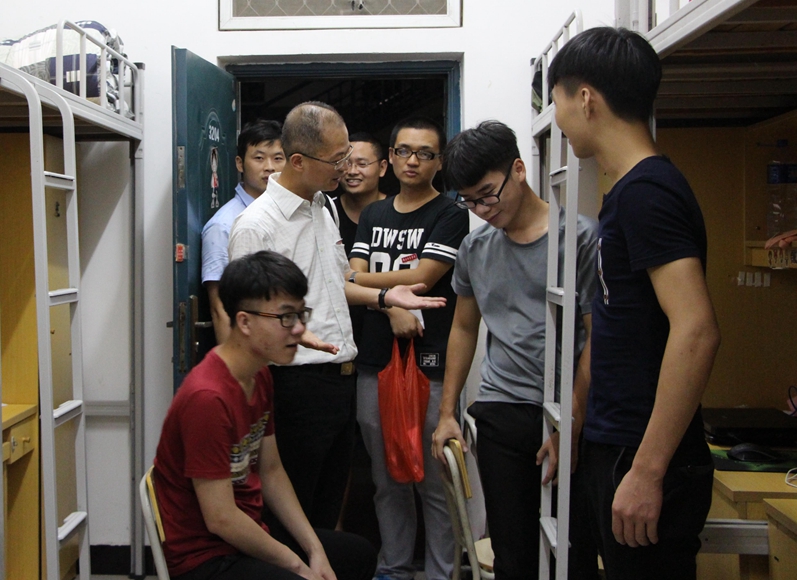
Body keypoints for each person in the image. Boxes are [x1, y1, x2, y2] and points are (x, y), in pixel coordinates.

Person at [548, 27, 721, 580]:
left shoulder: (648, 192)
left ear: (585, 99)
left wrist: (647, 470)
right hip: (617, 443)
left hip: (642, 455)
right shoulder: (625, 191)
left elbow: (696, 329)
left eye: (557, 101)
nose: (557, 117)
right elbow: (616, 323)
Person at [227, 102, 447, 531]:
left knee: (327, 512)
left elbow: (338, 282)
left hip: (339, 381)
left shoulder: (322, 206)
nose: (346, 167)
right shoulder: (256, 226)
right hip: (294, 386)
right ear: (298, 161)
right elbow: (247, 322)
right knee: (292, 514)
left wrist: (384, 297)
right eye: (336, 159)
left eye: (347, 154)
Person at [430, 120, 599, 580]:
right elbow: (463, 327)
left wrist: (573, 422)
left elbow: (597, 336)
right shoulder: (474, 248)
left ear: (519, 170)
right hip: (502, 410)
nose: (481, 210)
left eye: (488, 194)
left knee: (572, 555)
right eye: (469, 201)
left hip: (567, 411)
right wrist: (447, 412)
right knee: (513, 556)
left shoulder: (580, 238)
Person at [153, 250, 377, 580]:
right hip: (205, 558)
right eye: (286, 317)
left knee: (357, 555)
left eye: (301, 315)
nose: (299, 329)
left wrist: (314, 550)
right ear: (244, 322)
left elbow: (271, 471)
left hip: (248, 534)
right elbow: (221, 518)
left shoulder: (259, 374)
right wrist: (297, 565)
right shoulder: (207, 398)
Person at [348, 116, 469, 580]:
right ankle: (394, 567)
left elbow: (423, 277)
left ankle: (441, 573)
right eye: (403, 151)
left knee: (435, 480)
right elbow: (357, 278)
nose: (412, 161)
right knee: (386, 479)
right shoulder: (374, 214)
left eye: (424, 153)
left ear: (439, 161)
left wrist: (358, 280)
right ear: (390, 158)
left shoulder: (451, 214)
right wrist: (389, 305)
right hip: (375, 361)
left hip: (430, 362)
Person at [202, 119, 285, 344]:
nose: (270, 167)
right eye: (259, 158)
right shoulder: (223, 225)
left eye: (278, 158)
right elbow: (220, 309)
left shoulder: (290, 214)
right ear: (240, 163)